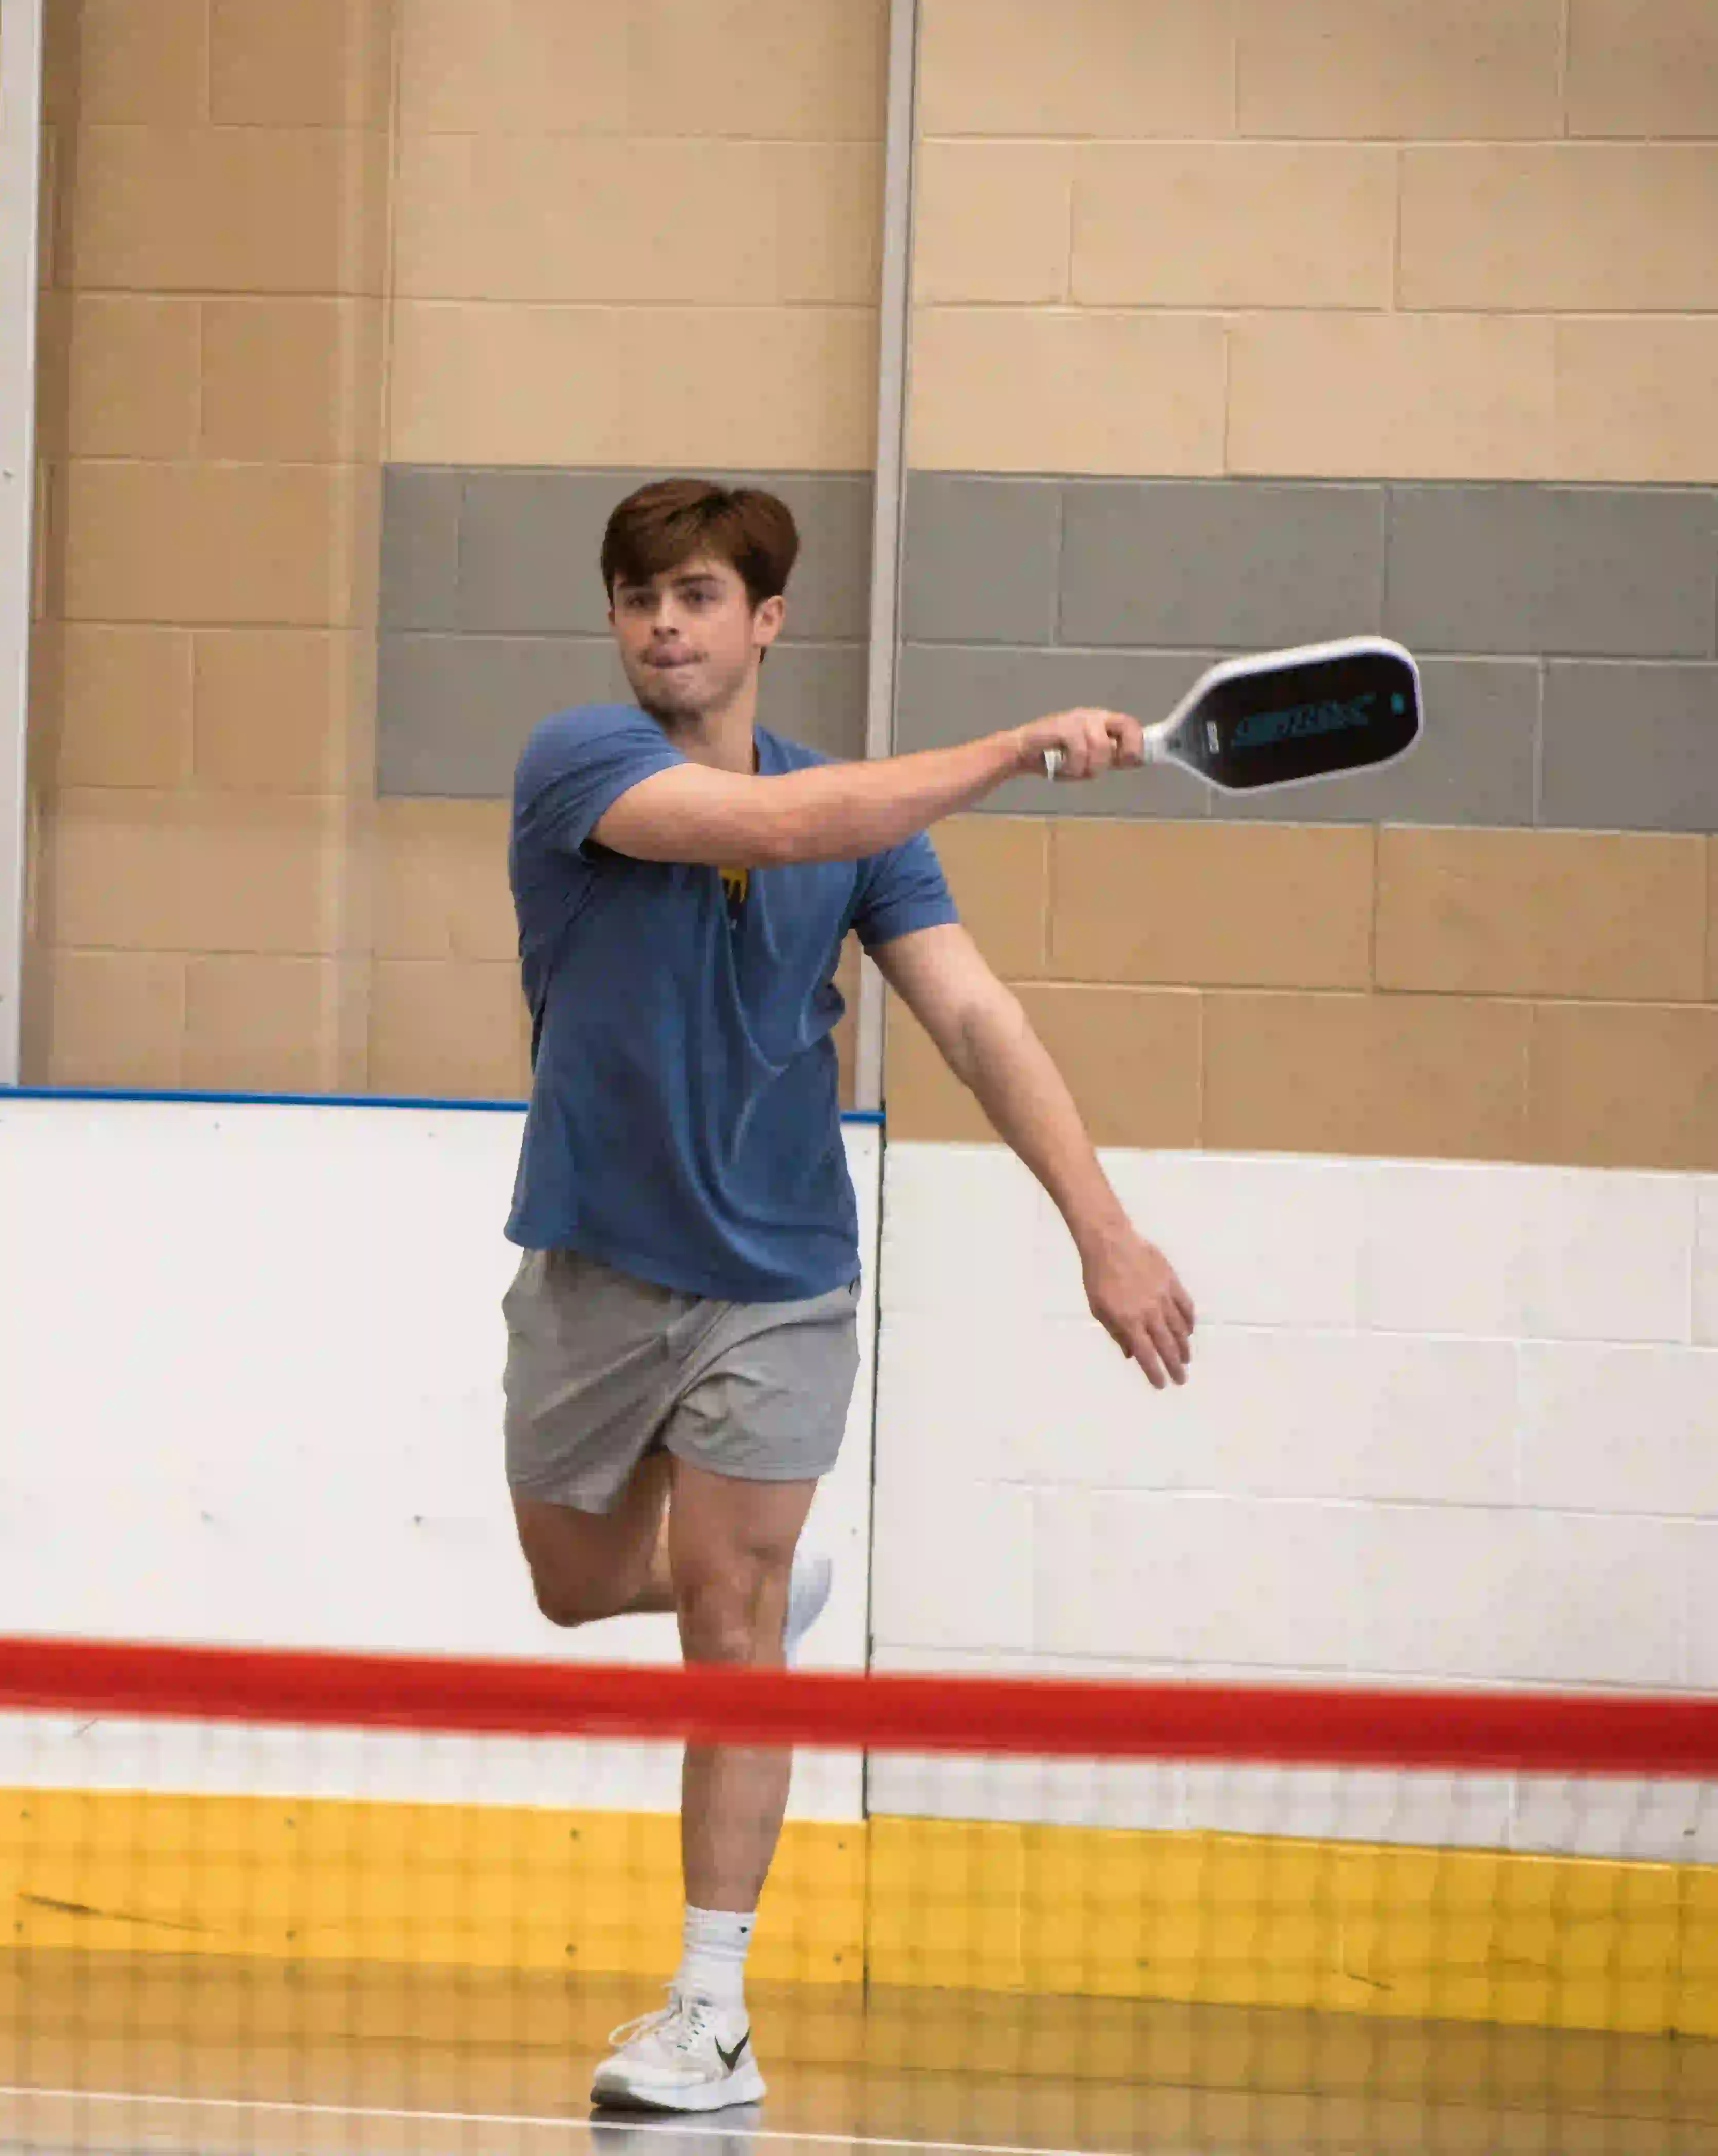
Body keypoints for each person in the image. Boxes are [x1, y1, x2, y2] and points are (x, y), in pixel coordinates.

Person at [504, 480, 1199, 2115]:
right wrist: (1012, 749)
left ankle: (708, 2010)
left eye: (690, 594)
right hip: (595, 1259)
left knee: (728, 1619)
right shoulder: (575, 767)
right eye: (634, 598)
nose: (661, 623)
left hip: (780, 1274)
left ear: (762, 620)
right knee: (572, 1579)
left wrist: (1101, 1229)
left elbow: (969, 1015)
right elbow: (769, 829)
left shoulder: (866, 819)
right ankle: (748, 1587)